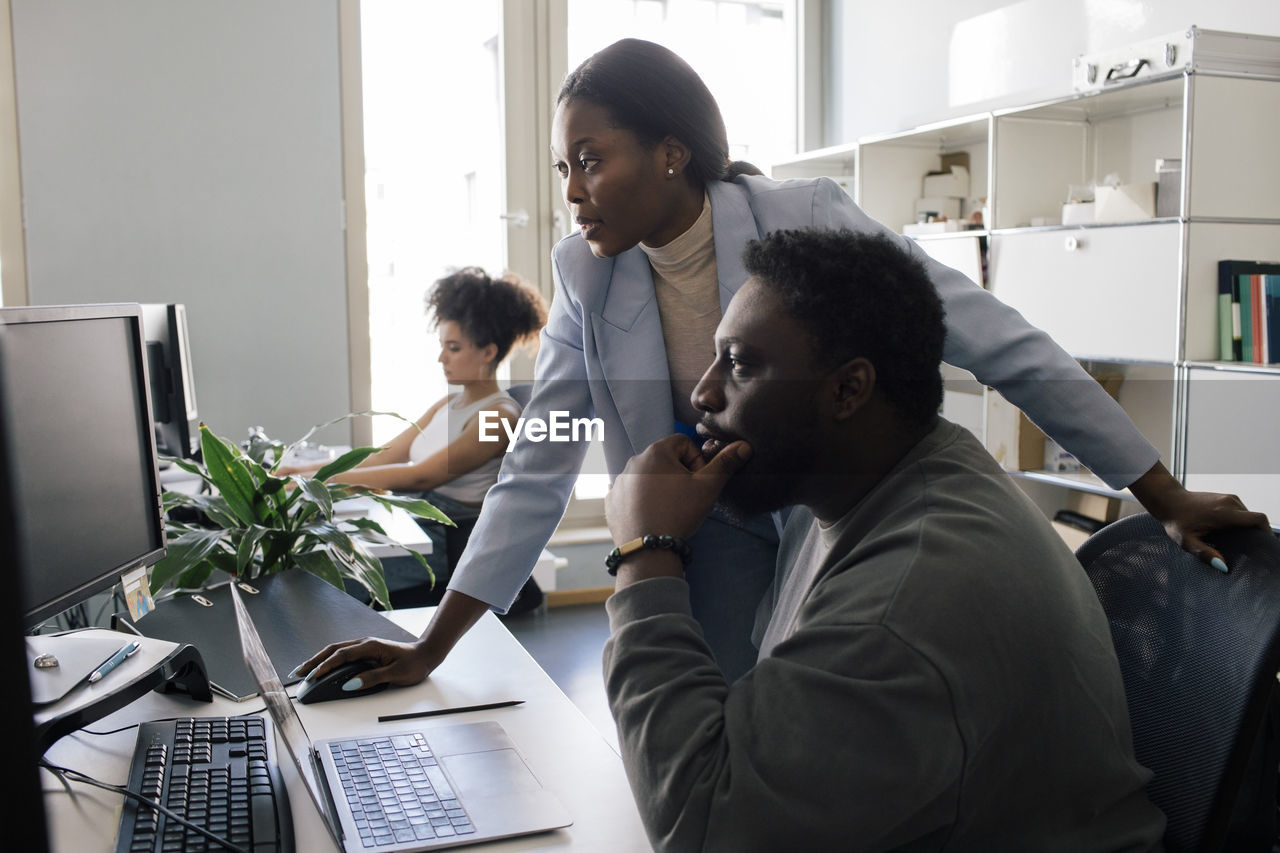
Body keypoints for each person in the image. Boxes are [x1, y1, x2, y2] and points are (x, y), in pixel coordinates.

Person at [294, 37, 1266, 688]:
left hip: (829, 507)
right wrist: (433, 645)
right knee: (703, 714)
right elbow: (541, 456)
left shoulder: (800, 219)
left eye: (590, 159)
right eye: (562, 168)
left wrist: (1159, 492)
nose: (573, 191)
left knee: (829, 710)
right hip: (709, 522)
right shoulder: (582, 278)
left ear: (670, 153)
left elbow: (991, 336)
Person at [601, 227, 1167, 851]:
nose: (702, 393)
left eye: (738, 363)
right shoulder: (876, 485)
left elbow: (707, 832)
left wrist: (646, 555)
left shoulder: (907, 598)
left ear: (848, 390)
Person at [278, 266, 546, 587]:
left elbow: (421, 475)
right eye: (443, 345)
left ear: (488, 352)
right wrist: (300, 472)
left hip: (443, 543)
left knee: (317, 577)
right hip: (416, 523)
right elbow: (381, 456)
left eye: (454, 348)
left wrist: (318, 480)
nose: (441, 358)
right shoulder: (446, 404)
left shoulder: (499, 416)